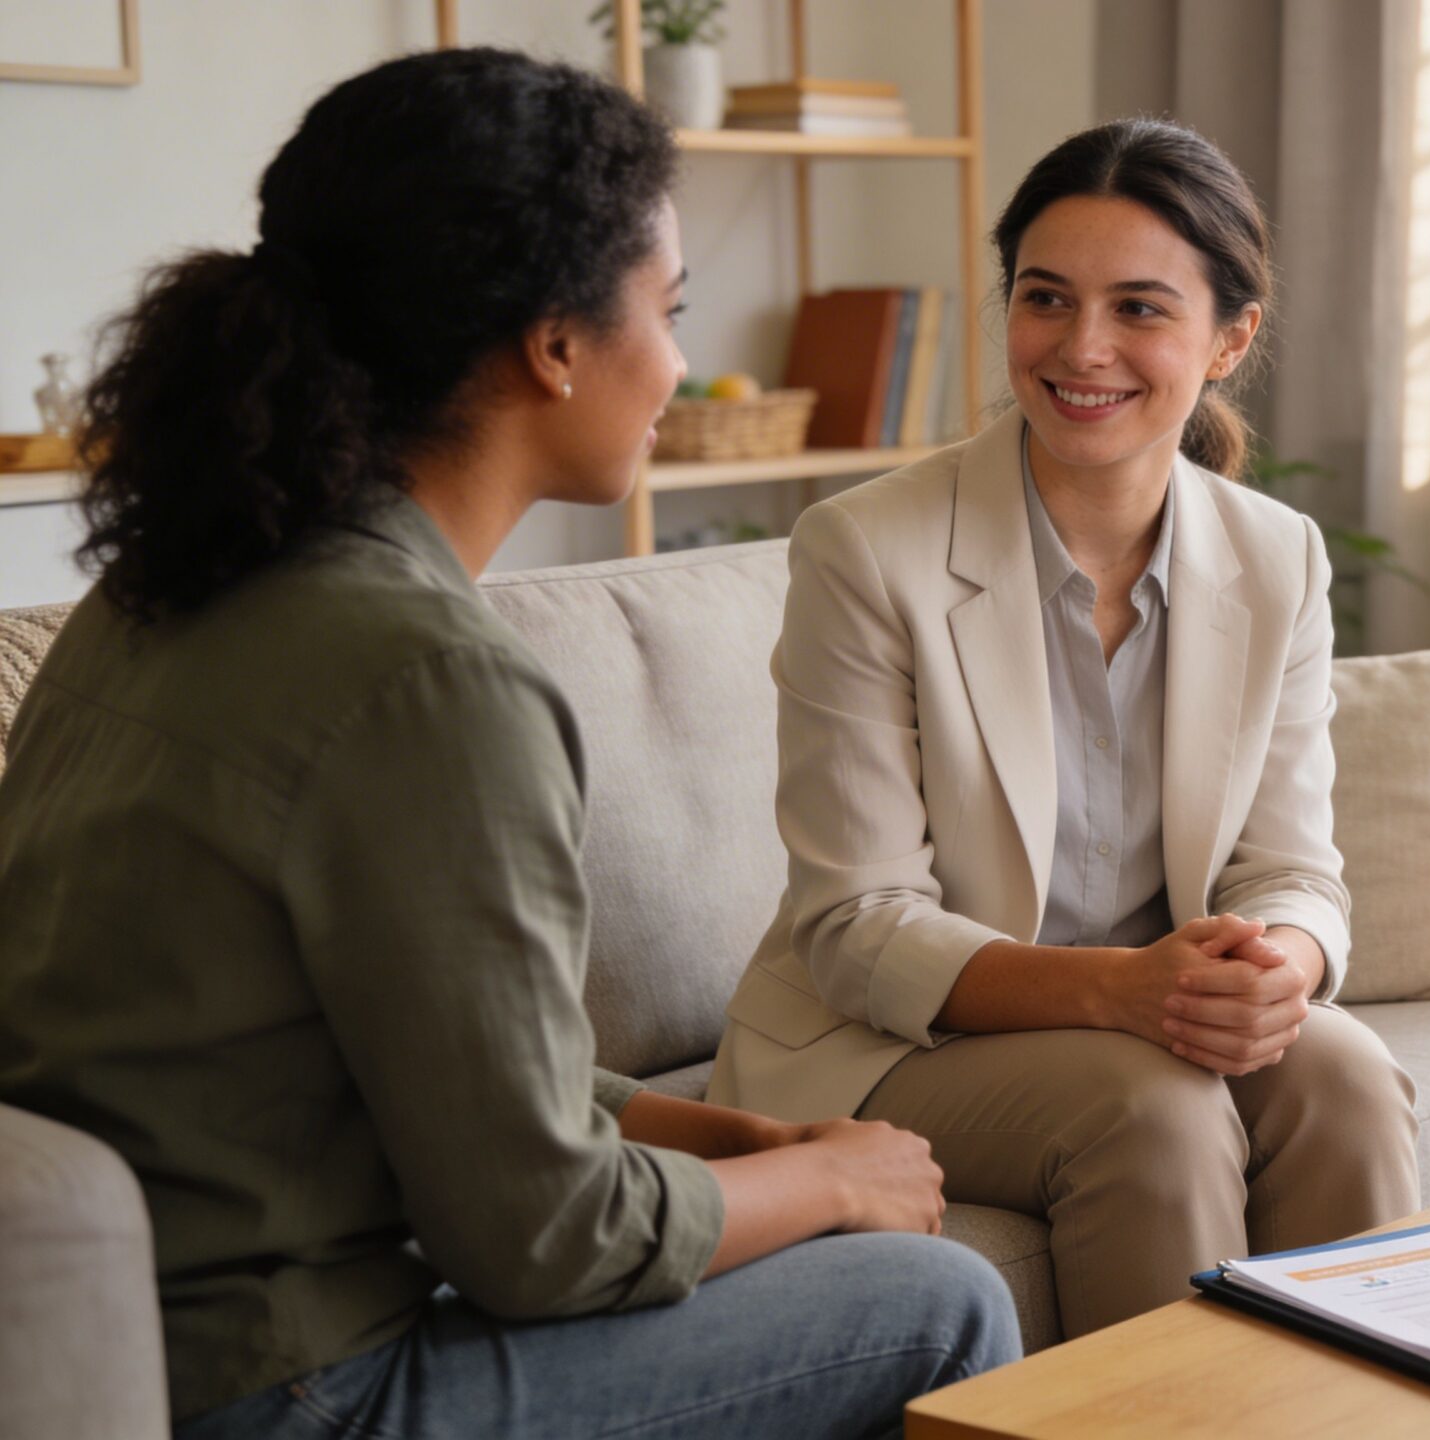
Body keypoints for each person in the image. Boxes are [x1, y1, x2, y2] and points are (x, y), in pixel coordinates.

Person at [0, 49, 1017, 1438]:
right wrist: (836, 1186)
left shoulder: (160, 591)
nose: (674, 365)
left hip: (141, 1336)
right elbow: (547, 1243)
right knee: (940, 1298)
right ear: (554, 343)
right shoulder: (429, 681)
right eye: (668, 311)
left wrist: (744, 1146)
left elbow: (427, 1059)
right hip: (288, 1390)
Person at [706, 117, 1421, 1336]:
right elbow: (855, 926)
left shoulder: (1274, 555)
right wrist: (1122, 993)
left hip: (1153, 1011)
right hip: (887, 1039)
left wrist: (1276, 974)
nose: (1082, 348)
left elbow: (1291, 870)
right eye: (1046, 299)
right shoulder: (867, 548)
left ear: (1230, 338)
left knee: (1344, 1076)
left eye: (1141, 308)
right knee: (1150, 1106)